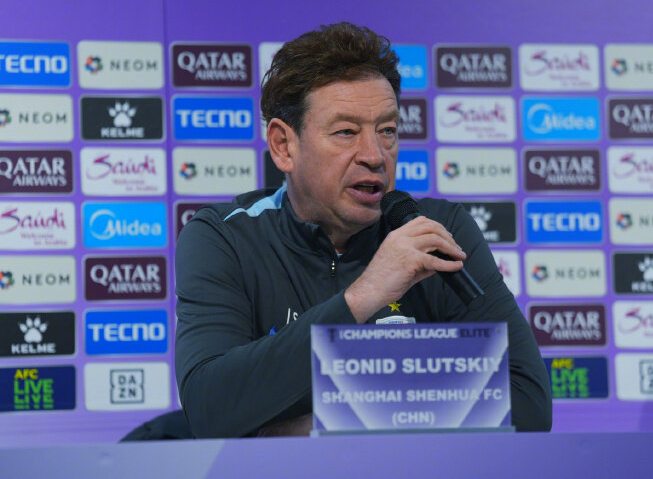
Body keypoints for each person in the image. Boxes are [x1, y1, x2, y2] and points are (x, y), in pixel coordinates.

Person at [175, 22, 552, 438]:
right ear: (284, 145)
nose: (374, 155)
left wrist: (318, 428)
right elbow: (209, 409)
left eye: (387, 131)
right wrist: (361, 297)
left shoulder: (437, 231)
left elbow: (529, 406)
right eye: (346, 132)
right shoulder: (225, 238)